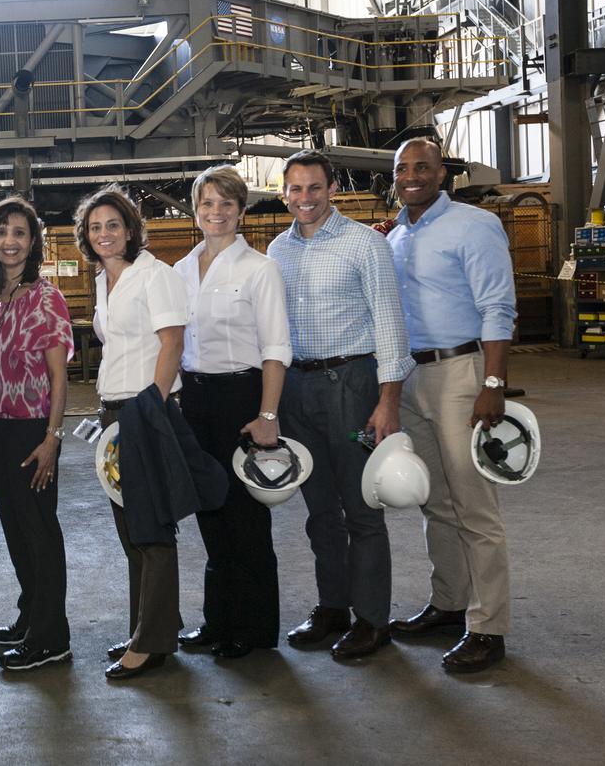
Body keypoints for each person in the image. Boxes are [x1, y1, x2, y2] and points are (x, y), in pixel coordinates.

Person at [267, 149, 413, 660]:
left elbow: (391, 324)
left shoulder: (364, 245)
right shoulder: (277, 251)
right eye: (295, 189)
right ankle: (333, 607)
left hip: (352, 382)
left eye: (314, 188)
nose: (305, 198)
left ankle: (372, 619)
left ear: (332, 189)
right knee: (318, 509)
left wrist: (388, 401)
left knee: (361, 508)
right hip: (296, 388)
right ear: (283, 193)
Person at [386, 137, 517, 673]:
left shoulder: (474, 224)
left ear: (442, 174)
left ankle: (489, 627)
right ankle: (449, 604)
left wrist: (494, 381)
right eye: (403, 169)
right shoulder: (395, 235)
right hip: (411, 375)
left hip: (462, 373)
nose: (412, 176)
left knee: (474, 507)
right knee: (435, 501)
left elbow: (498, 306)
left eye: (422, 167)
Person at [173, 164, 292, 660]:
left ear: (241, 211)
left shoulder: (259, 268)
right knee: (210, 513)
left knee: (245, 518)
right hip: (195, 399)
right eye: (207, 203)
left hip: (242, 398)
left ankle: (255, 628)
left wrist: (268, 415)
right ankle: (217, 621)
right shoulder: (180, 270)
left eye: (226, 203)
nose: (215, 212)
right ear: (196, 210)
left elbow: (276, 347)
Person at [74, 186, 189, 680]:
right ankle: (151, 626)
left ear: (131, 228)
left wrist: (153, 407)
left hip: (144, 410)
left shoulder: (154, 275)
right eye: (95, 227)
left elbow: (173, 342)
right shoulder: (104, 279)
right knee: (130, 530)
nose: (104, 234)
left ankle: (152, 640)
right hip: (113, 412)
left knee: (151, 528)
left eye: (112, 225)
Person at [0, 196, 74, 672]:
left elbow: (59, 377)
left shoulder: (45, 296)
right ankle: (30, 615)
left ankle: (52, 637)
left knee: (39, 530)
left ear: (32, 241)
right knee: (14, 527)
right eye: (0, 232)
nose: (9, 242)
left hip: (34, 428)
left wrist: (53, 438)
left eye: (18, 233)